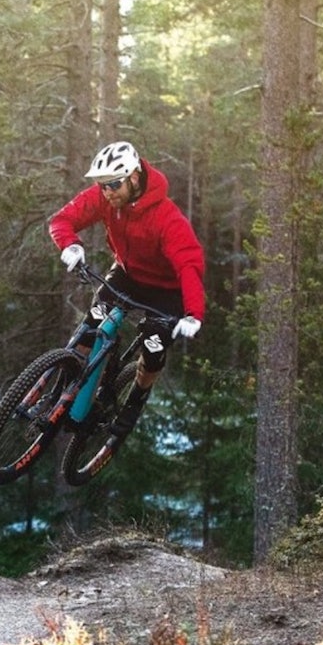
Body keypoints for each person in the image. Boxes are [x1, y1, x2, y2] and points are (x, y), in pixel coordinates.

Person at [49, 140, 206, 436]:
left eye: (114, 185)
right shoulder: (106, 198)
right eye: (102, 186)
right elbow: (62, 219)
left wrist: (192, 314)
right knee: (90, 327)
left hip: (166, 290)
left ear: (134, 177)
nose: (108, 193)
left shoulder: (168, 218)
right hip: (127, 274)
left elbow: (189, 265)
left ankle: (135, 401)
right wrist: (69, 244)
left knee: (153, 345)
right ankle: (66, 388)